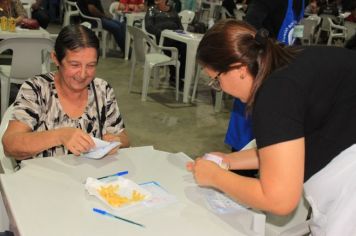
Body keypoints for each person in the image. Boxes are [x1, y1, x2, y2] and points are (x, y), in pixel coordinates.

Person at [187, 19, 356, 234]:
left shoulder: (275, 93)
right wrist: (228, 161)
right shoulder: (287, 62)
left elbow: (280, 200)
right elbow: (285, 151)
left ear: (238, 68)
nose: (221, 89)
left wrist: (215, 177)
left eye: (217, 80)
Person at [2, 25, 130, 159]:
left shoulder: (102, 90)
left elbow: (124, 137)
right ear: (56, 59)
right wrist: (60, 136)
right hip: (43, 176)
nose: (82, 74)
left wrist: (116, 141)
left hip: (90, 176)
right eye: (74, 65)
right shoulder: (36, 89)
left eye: (91, 65)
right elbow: (10, 145)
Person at [145, 0, 186, 87]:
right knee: (172, 47)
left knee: (185, 46)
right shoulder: (152, 10)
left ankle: (179, 76)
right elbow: (148, 26)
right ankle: (175, 76)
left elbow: (180, 27)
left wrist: (176, 33)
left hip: (175, 37)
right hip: (160, 39)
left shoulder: (173, 11)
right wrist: (162, 33)